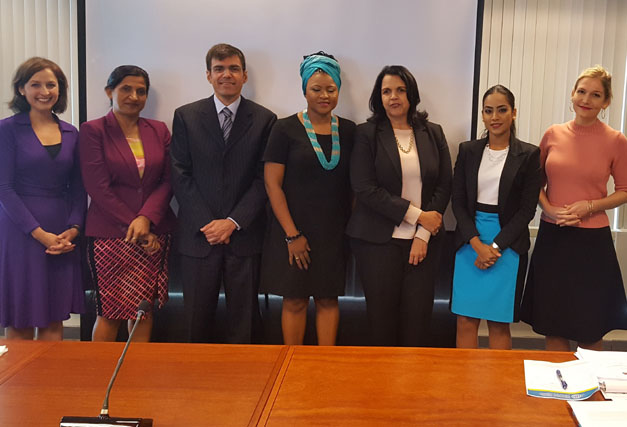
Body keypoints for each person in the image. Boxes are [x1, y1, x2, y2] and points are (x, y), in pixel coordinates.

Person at [171, 43, 277, 344]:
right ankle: (194, 383)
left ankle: (243, 386)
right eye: (219, 69)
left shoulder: (265, 120)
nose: (226, 75)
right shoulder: (186, 116)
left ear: (244, 76)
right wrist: (210, 223)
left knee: (244, 322)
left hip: (243, 236)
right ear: (208, 75)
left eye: (233, 69)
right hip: (198, 235)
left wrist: (232, 221)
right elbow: (180, 174)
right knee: (194, 319)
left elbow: (262, 179)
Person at [521, 65, 627, 351]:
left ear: (605, 102)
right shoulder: (553, 134)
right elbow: (535, 184)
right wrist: (551, 210)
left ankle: (591, 392)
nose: (586, 99)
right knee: (553, 323)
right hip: (553, 237)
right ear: (572, 94)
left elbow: (624, 191)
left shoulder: (616, 140)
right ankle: (557, 392)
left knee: (590, 327)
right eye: (581, 92)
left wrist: (589, 207)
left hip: (592, 243)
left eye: (595, 95)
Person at [346, 65, 452, 346]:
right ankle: (382, 389)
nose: (394, 97)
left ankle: (411, 387)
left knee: (418, 325)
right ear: (378, 98)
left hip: (423, 244)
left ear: (411, 94)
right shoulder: (367, 133)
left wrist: (423, 233)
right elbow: (364, 187)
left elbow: (444, 185)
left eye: (400, 90)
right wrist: (418, 216)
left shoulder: (433, 133)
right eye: (386, 91)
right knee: (382, 324)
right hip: (377, 242)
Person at [260, 52, 356, 345]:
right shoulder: (284, 128)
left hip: (333, 234)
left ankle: (325, 366)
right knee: (295, 301)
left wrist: (347, 230)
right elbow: (272, 184)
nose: (324, 95)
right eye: (316, 89)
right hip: (293, 231)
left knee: (328, 300)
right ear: (304, 90)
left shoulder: (351, 131)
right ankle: (292, 366)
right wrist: (292, 235)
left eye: (331, 89)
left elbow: (355, 186)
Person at [79, 65, 176, 342]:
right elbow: (97, 187)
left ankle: (136, 378)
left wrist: (146, 219)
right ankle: (102, 379)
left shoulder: (158, 130)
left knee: (142, 312)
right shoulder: (93, 130)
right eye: (126, 89)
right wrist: (136, 223)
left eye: (141, 91)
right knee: (110, 312)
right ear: (110, 92)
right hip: (110, 235)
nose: (134, 96)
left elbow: (168, 181)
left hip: (154, 232)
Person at [0, 57, 86, 340]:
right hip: (21, 232)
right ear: (21, 89)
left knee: (53, 318)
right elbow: (4, 188)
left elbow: (77, 188)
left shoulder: (71, 133)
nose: (44, 91)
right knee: (21, 319)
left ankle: (52, 384)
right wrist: (40, 235)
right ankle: (20, 384)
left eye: (51, 84)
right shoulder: (7, 129)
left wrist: (72, 230)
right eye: (35, 84)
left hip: (62, 234)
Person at [450, 85, 541, 349]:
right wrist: (477, 245)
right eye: (489, 111)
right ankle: (465, 387)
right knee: (466, 320)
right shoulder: (468, 150)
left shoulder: (529, 154)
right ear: (482, 115)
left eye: (502, 110)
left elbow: (527, 210)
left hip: (507, 245)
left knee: (498, 322)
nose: (495, 117)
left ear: (513, 113)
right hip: (470, 241)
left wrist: (494, 247)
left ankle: (495, 389)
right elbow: (458, 202)